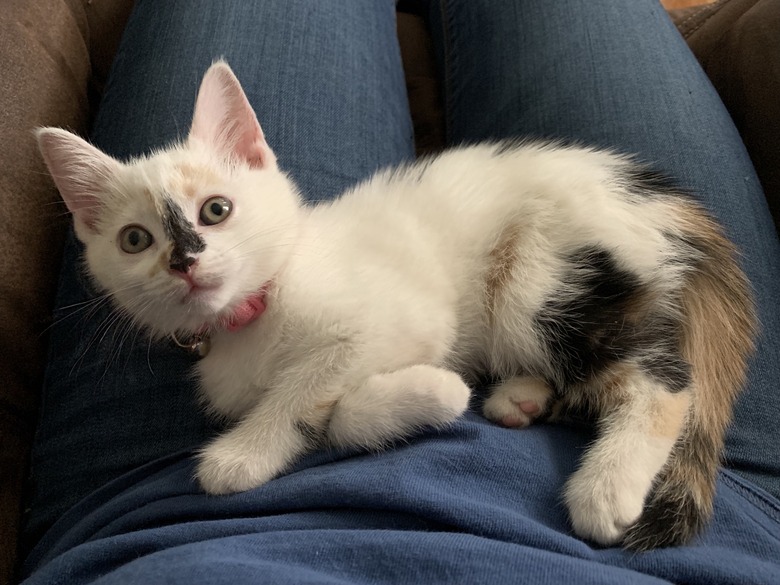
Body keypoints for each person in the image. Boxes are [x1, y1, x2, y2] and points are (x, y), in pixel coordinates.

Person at [19, 1, 780, 583]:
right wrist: (355, 413)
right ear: (89, 228)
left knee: (534, 308)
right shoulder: (222, 362)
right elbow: (416, 373)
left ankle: (650, 405)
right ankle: (568, 385)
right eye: (133, 238)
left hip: (525, 225)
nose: (184, 258)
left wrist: (275, 429)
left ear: (255, 157)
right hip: (742, 522)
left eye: (215, 211)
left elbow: (405, 329)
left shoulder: (311, 273)